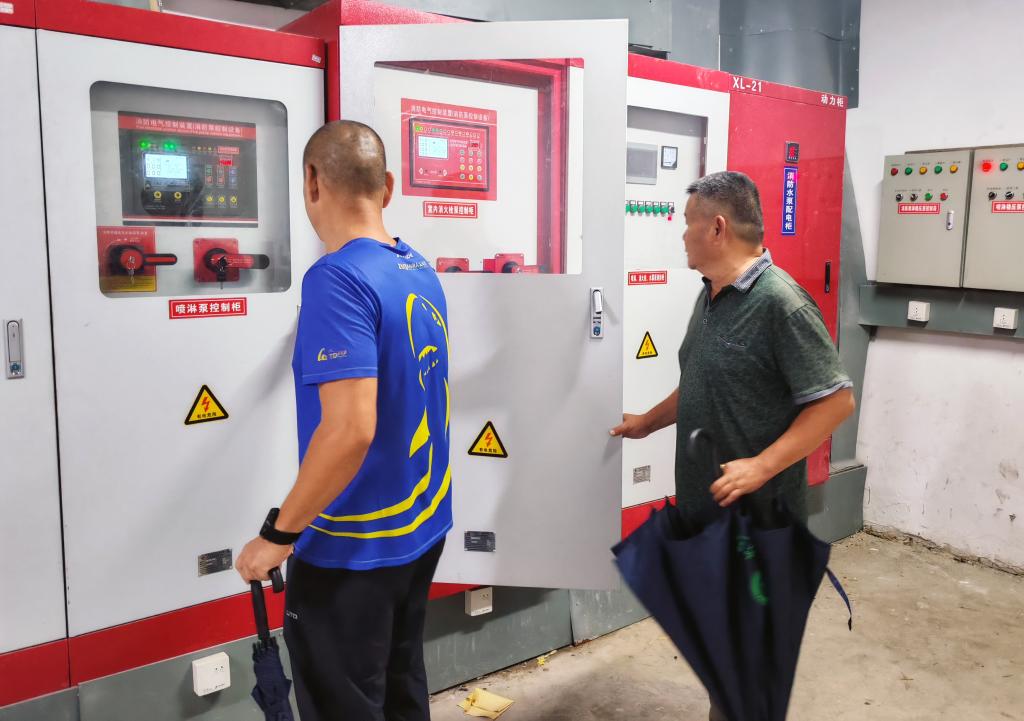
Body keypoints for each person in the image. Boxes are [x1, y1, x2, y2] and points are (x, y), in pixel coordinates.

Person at [610, 171, 855, 721]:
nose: (682, 234)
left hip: (758, 525)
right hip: (709, 516)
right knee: (724, 657)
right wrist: (648, 422)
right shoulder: (712, 295)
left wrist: (762, 466)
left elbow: (836, 402)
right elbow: (701, 381)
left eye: (688, 223)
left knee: (749, 668)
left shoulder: (781, 304)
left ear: (717, 228)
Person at [235, 120, 452, 721]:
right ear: (388, 187)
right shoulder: (415, 266)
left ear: (312, 182)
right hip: (421, 528)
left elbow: (350, 430)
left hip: (352, 549)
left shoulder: (336, 278)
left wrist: (277, 537)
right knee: (400, 687)